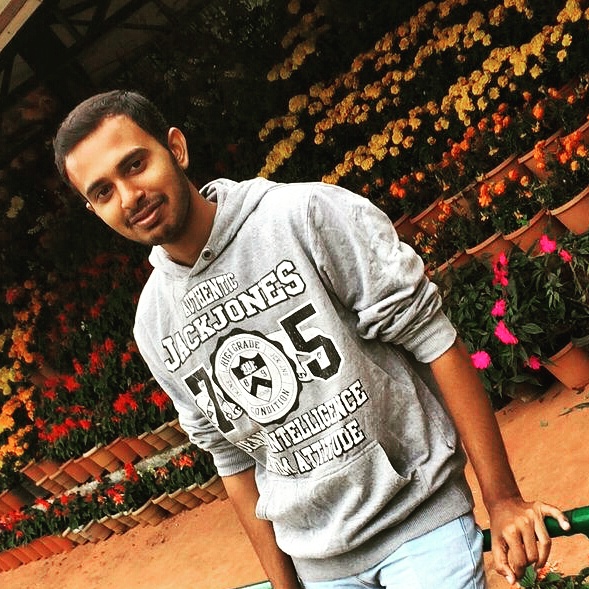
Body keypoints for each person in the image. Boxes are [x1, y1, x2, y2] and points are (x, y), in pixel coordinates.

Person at [53, 90, 569, 589]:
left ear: (176, 148)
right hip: (318, 565)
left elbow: (433, 338)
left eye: (135, 165)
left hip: (418, 525)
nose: (129, 196)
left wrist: (502, 500)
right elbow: (232, 461)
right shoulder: (154, 323)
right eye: (103, 192)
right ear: (94, 210)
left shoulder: (303, 216)